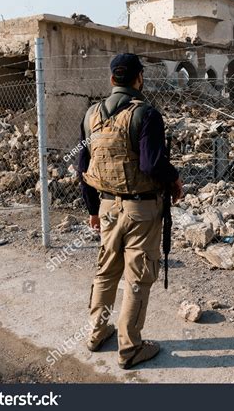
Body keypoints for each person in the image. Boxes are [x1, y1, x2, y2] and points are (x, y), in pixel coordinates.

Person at [78, 53, 183, 369]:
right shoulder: (147, 114)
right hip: (142, 209)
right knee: (137, 278)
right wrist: (175, 178)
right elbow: (151, 163)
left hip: (108, 206)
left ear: (112, 80)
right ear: (140, 79)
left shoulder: (91, 116)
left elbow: (83, 167)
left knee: (106, 270)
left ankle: (96, 334)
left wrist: (93, 209)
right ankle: (130, 348)